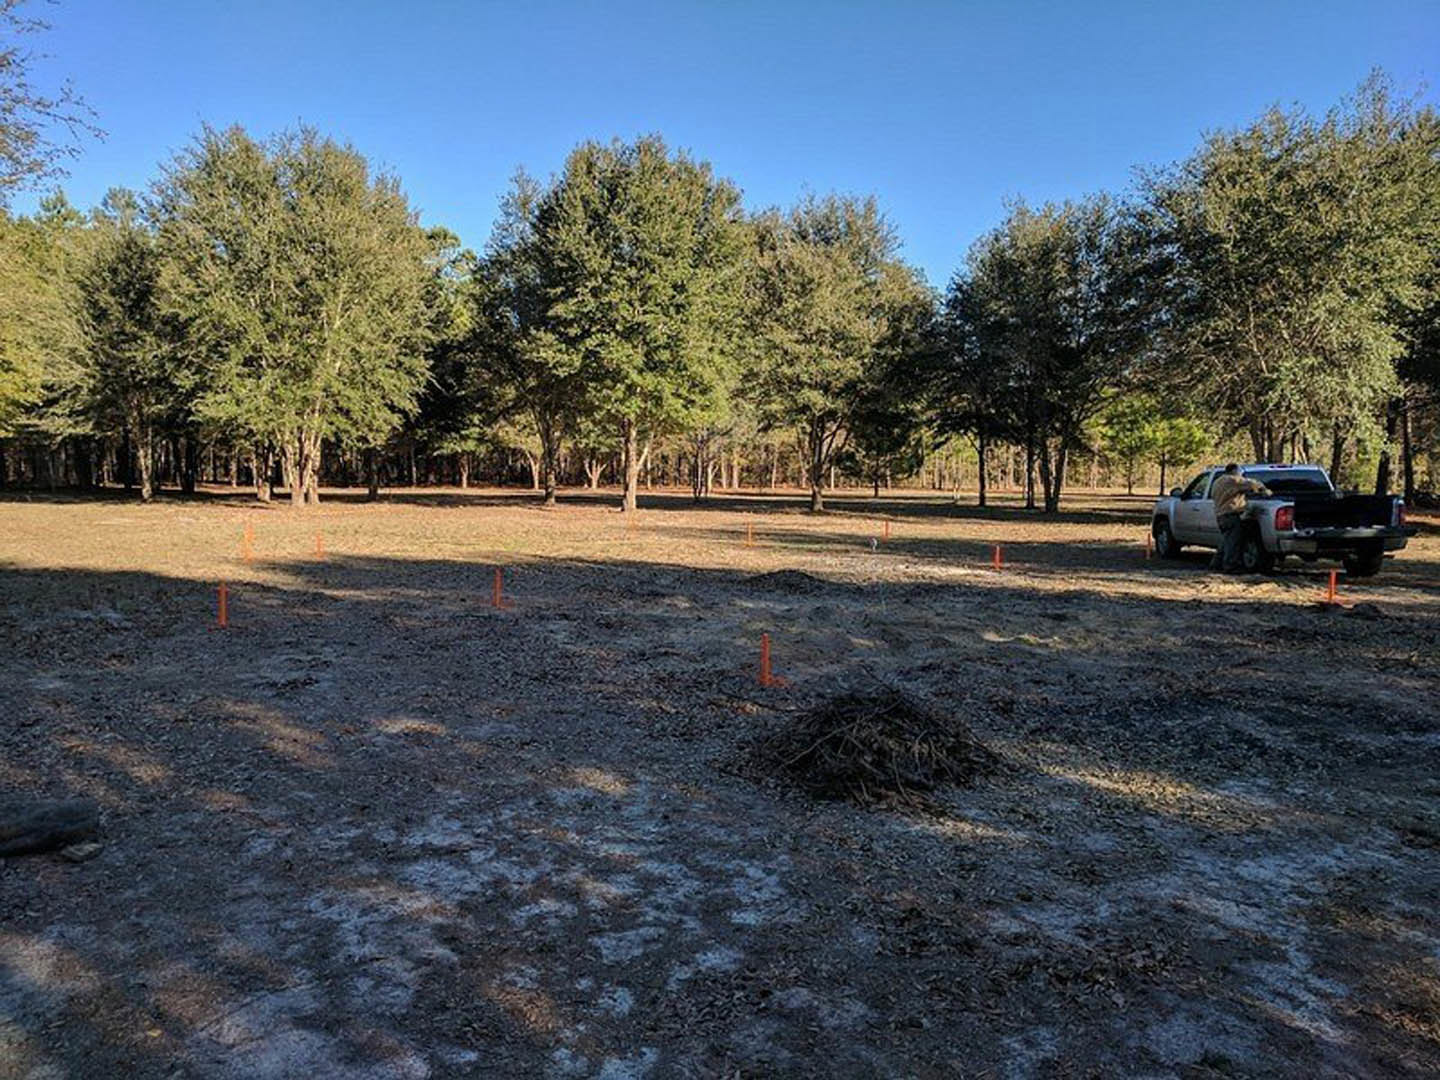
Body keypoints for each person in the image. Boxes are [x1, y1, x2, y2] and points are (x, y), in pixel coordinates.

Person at [1209, 464, 1271, 573]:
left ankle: (1216, 564)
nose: (1240, 474)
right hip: (1231, 515)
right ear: (1235, 471)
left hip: (1220, 515)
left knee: (1226, 541)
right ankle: (1231, 566)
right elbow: (1252, 484)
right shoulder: (1233, 480)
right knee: (1233, 542)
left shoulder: (1217, 482)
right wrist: (1264, 490)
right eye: (1239, 472)